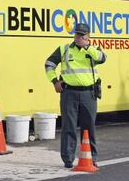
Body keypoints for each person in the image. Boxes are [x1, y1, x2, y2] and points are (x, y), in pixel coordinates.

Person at [44, 23, 106, 169]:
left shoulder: (94, 50)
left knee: (89, 127)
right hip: (69, 93)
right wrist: (54, 81)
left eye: (82, 35)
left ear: (88, 36)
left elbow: (102, 58)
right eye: (77, 34)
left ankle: (92, 157)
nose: (79, 37)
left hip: (89, 94)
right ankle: (68, 159)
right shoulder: (64, 49)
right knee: (68, 126)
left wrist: (87, 47)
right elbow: (48, 64)